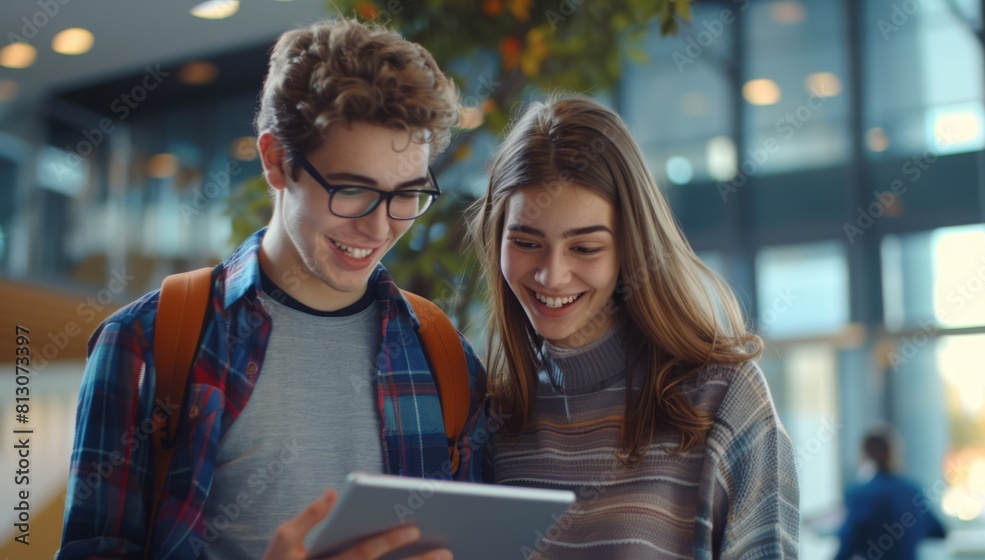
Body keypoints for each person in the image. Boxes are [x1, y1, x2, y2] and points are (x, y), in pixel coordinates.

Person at [58, 19, 486, 560]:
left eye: (406, 194)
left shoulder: (446, 360)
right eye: (352, 190)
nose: (379, 229)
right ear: (277, 160)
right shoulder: (145, 344)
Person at [469, 96, 799, 559]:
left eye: (585, 248)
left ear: (632, 247)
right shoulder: (496, 416)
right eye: (526, 242)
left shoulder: (722, 397)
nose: (551, 275)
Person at [834, 426, 947, 560]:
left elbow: (848, 545)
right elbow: (939, 531)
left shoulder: (860, 494)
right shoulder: (914, 490)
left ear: (866, 453)